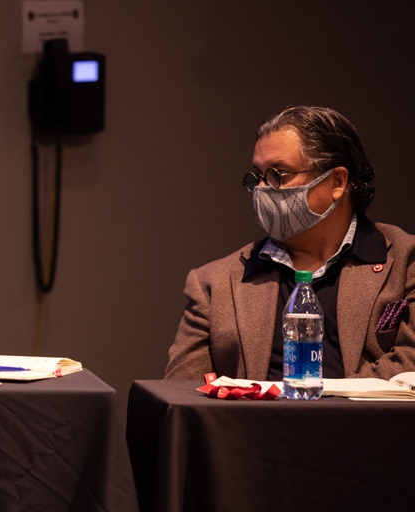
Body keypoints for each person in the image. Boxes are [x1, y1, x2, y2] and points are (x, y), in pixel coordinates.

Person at [165, 105, 415, 381]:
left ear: (336, 182)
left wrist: (318, 407)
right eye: (258, 176)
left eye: (278, 174)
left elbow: (409, 366)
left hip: (366, 424)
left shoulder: (407, 261)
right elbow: (184, 395)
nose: (261, 189)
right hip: (250, 425)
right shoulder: (213, 283)